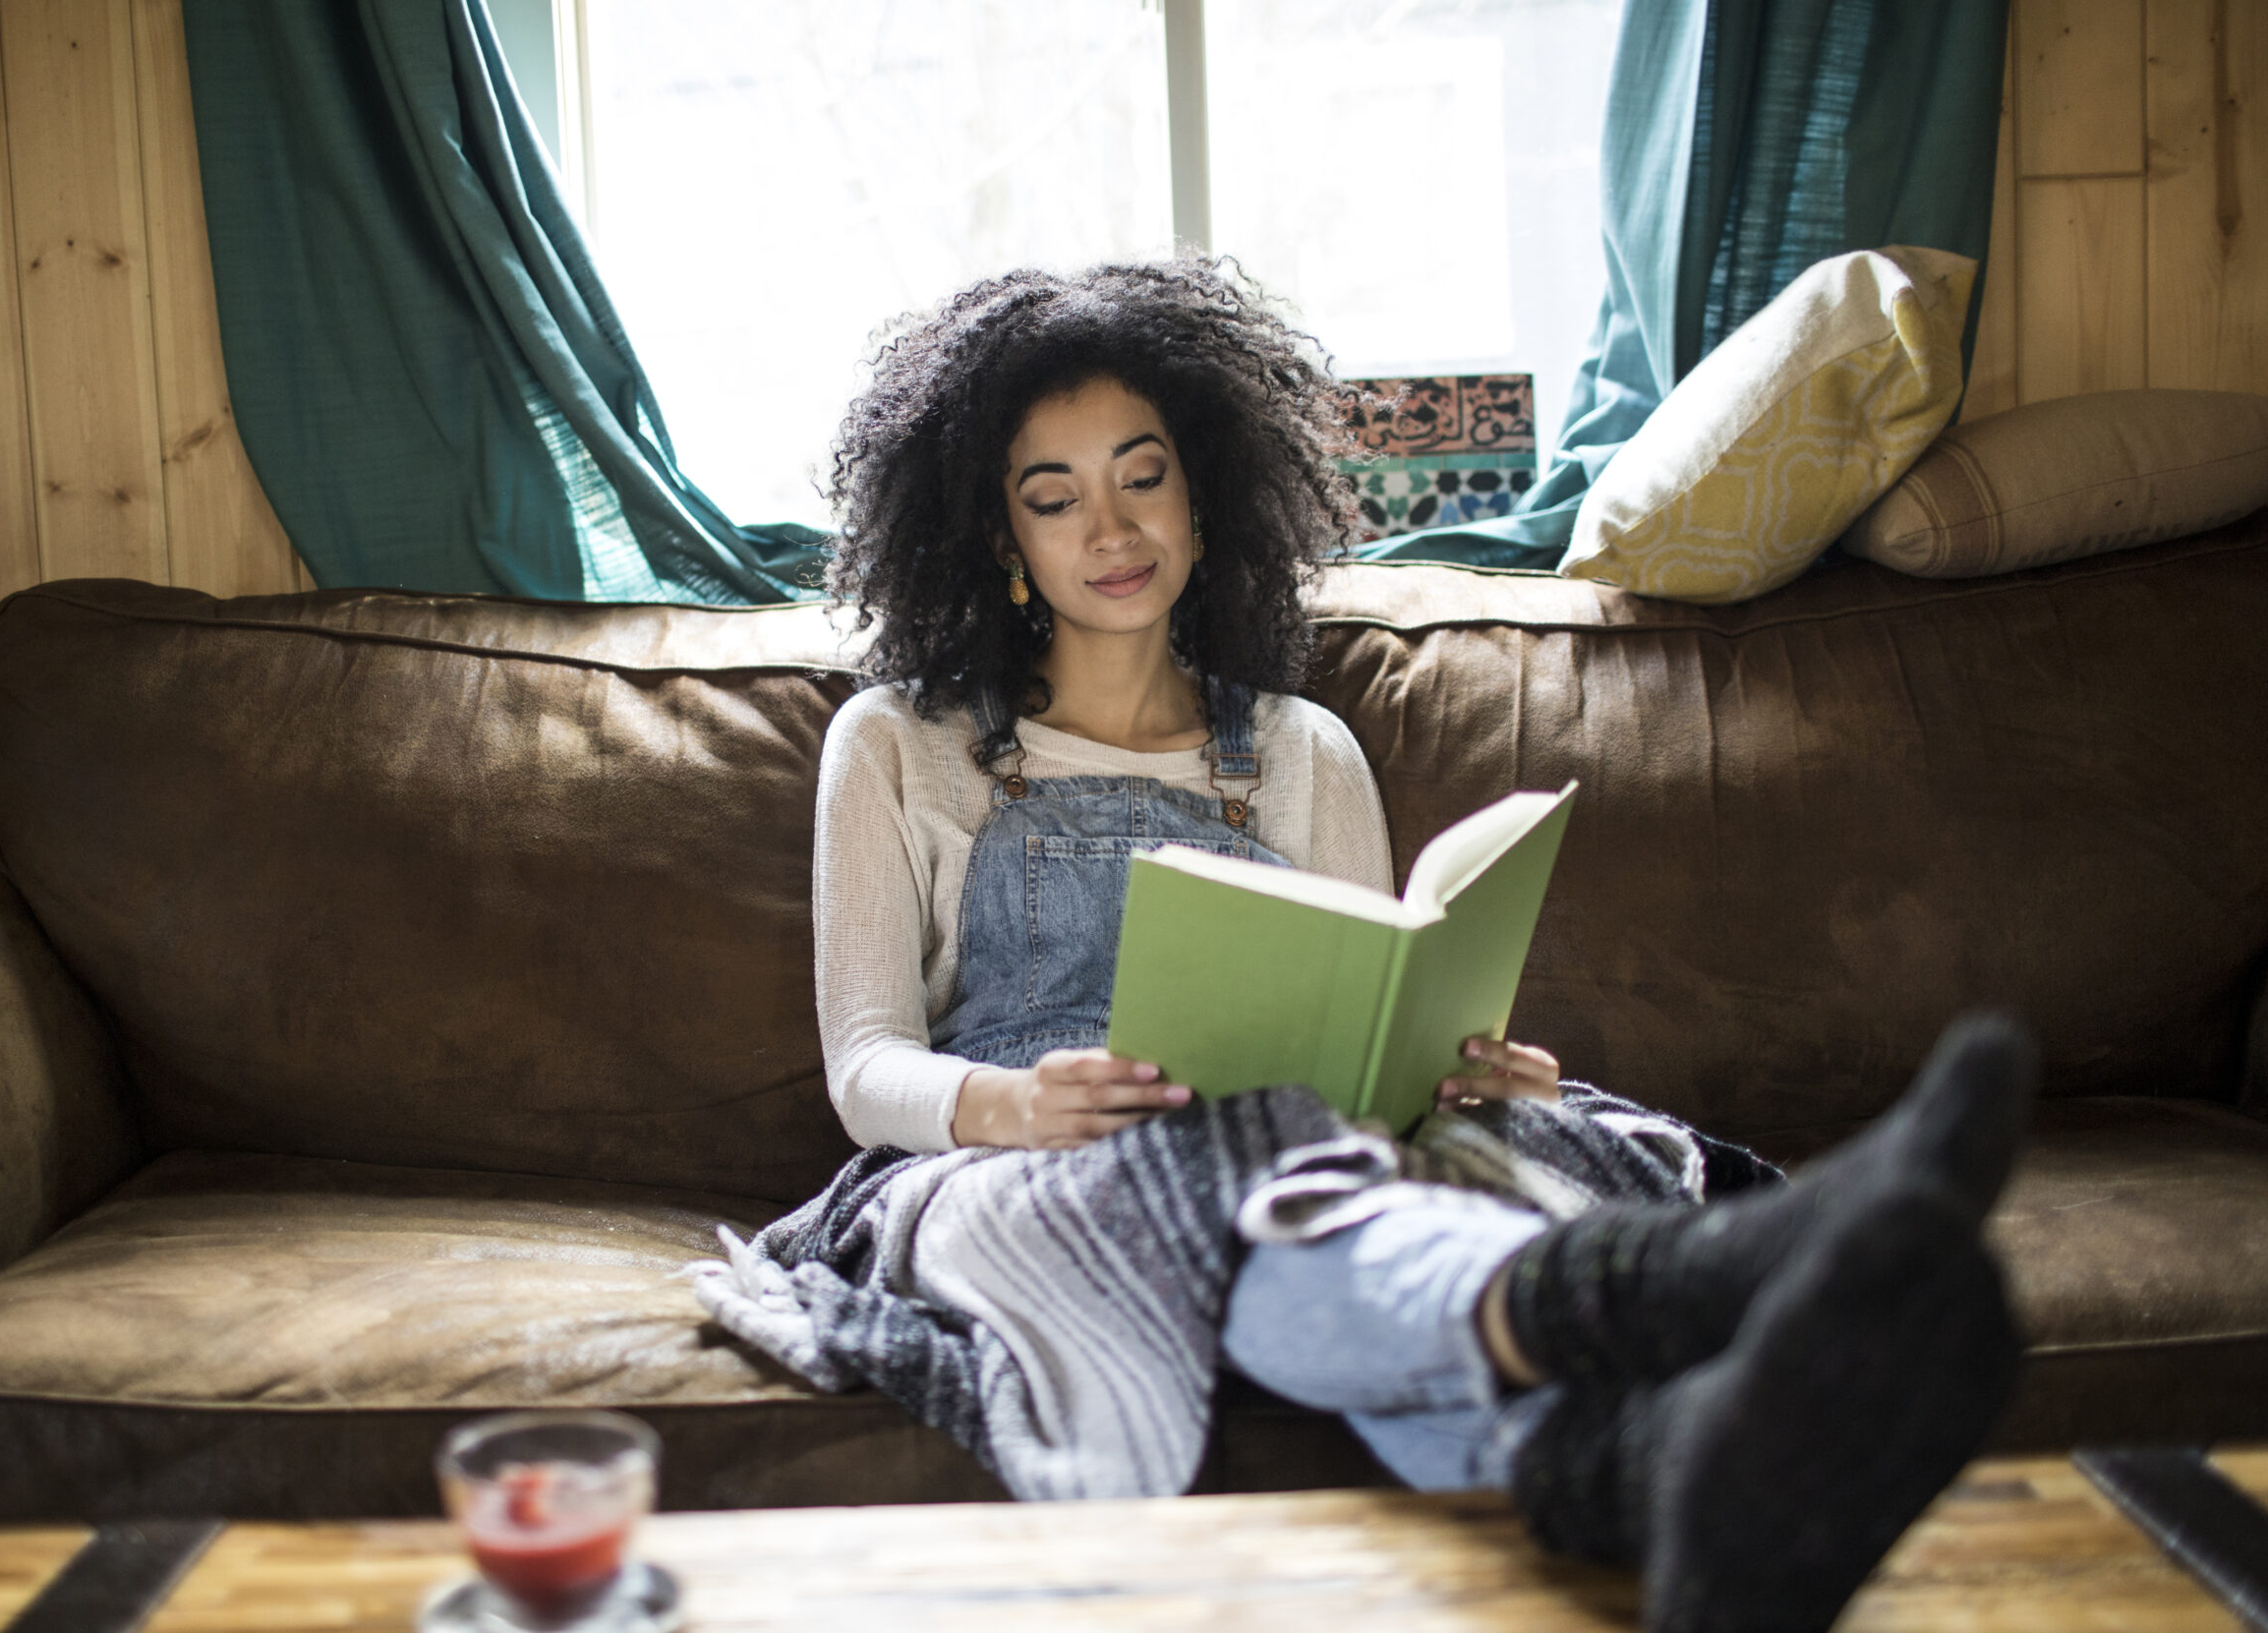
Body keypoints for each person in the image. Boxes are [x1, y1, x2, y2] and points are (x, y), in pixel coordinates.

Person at [799, 258, 2028, 1633]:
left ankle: (1654, 1471)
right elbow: (863, 1065)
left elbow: (1361, 1010)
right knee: (1232, 1198)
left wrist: (1448, 1062)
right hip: (1013, 1165)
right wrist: (1014, 1104)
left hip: (1293, 1147)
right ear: (996, 541)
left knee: (1367, 1181)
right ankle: (1685, 1276)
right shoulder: (899, 744)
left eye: (1142, 475)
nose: (1110, 524)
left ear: (1204, 489)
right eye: (1054, 495)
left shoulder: (1305, 750)